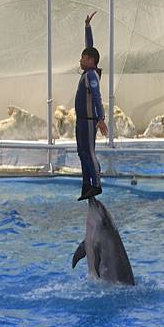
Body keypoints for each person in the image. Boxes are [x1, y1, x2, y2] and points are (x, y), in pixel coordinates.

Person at [75, 11, 108, 201]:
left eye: (83, 58)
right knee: (82, 153)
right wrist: (87, 27)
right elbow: (91, 48)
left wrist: (101, 118)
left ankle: (96, 184)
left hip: (89, 121)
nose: (80, 59)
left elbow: (97, 97)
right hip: (81, 121)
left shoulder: (92, 75)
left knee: (89, 152)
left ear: (91, 61)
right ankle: (86, 183)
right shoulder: (86, 72)